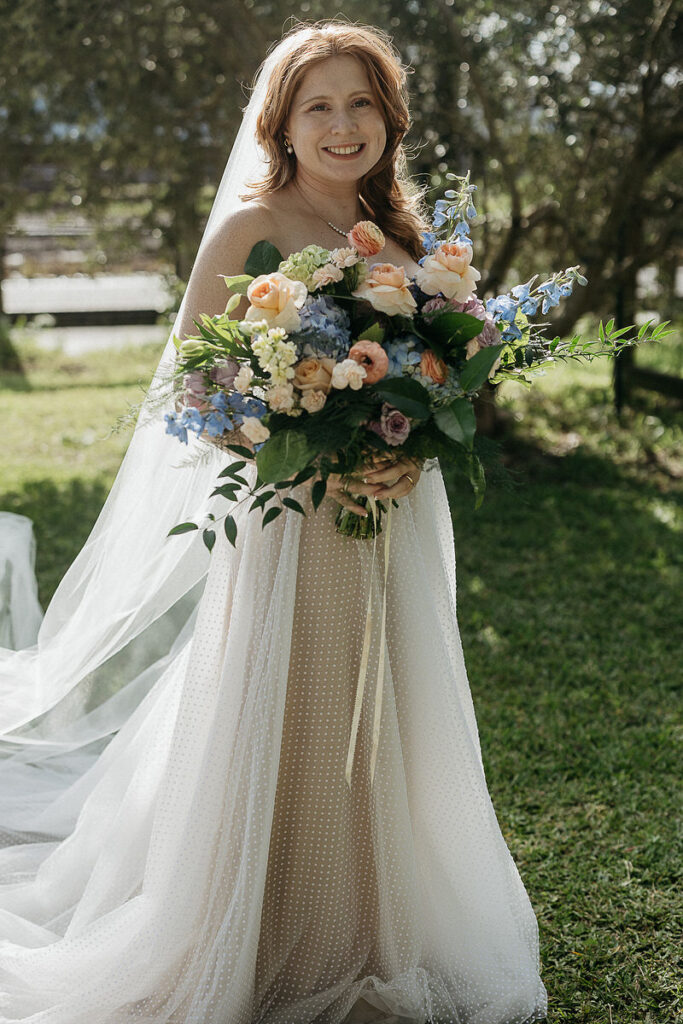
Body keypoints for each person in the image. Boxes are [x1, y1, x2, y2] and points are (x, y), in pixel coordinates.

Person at [0, 20, 549, 1024]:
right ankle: (265, 927)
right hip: (294, 519)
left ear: (388, 118)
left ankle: (368, 923)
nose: (341, 126)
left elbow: (435, 377)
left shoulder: (409, 240)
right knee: (288, 706)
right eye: (318, 107)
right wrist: (306, 450)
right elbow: (191, 390)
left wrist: (404, 447)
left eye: (360, 105)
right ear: (282, 124)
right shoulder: (250, 230)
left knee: (381, 708)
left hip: (391, 523)